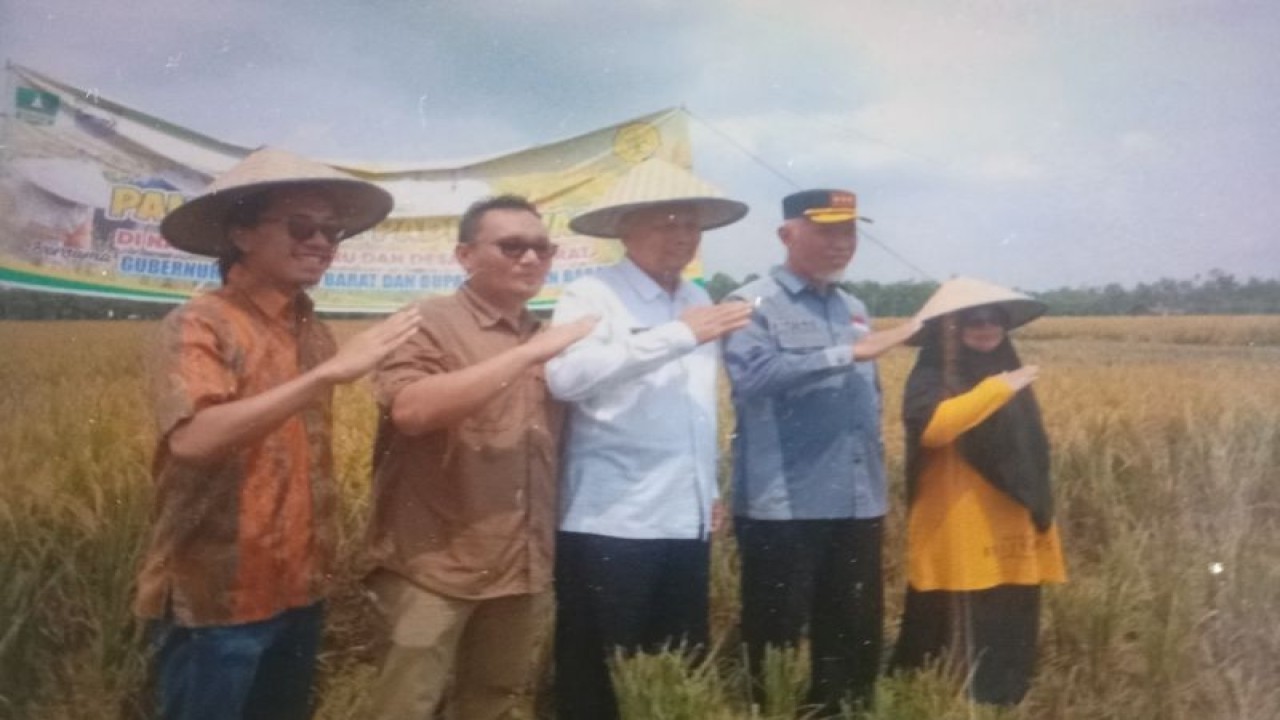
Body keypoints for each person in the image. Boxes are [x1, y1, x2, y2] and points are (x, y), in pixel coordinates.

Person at [135, 147, 421, 720]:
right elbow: (193, 439)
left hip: (300, 588)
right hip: (219, 598)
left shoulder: (311, 327)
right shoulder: (201, 321)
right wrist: (328, 375)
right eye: (300, 226)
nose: (320, 242)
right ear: (241, 233)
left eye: (331, 231)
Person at [362, 195, 595, 719]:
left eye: (542, 247)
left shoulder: (550, 334)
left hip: (523, 565)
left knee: (497, 704)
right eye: (512, 246)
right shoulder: (427, 322)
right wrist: (525, 356)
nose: (531, 259)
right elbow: (412, 409)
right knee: (407, 706)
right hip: (434, 567)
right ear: (465, 256)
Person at [546, 158, 754, 720]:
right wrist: (676, 336)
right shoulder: (591, 294)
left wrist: (707, 490)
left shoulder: (697, 297)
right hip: (611, 520)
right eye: (666, 222)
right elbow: (564, 378)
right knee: (597, 674)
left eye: (690, 225)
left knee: (672, 669)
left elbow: (695, 411)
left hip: (684, 521)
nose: (682, 236)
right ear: (624, 230)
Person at [722, 189, 919, 715]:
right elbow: (752, 377)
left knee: (854, 633)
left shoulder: (852, 305)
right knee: (776, 635)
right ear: (788, 234)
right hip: (784, 504)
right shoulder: (750, 302)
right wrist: (846, 352)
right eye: (828, 231)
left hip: (858, 499)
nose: (842, 243)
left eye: (850, 232)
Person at [888, 276, 1067, 706]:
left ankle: (1001, 698)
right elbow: (933, 428)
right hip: (956, 515)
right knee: (955, 607)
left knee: (1010, 601)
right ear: (949, 329)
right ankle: (935, 698)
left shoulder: (1010, 370)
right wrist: (997, 390)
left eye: (995, 320)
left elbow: (1031, 451)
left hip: (1011, 511)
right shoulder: (933, 374)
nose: (986, 328)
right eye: (972, 321)